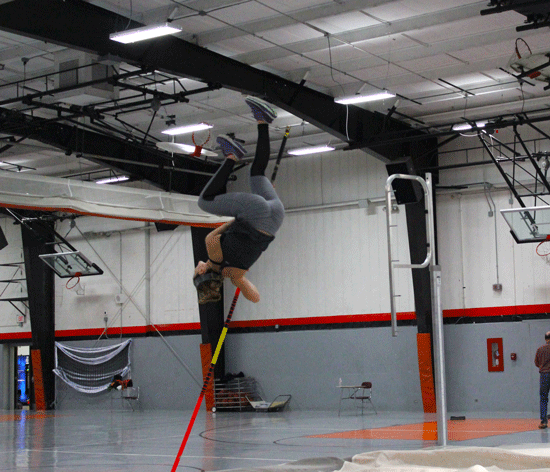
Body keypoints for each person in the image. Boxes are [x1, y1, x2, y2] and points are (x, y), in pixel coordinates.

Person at [194, 96, 284, 304]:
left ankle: (263, 120)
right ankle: (232, 156)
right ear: (200, 270)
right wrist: (239, 219)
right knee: (204, 201)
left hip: (276, 218)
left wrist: (239, 280)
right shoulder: (213, 254)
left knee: (257, 172)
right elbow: (214, 236)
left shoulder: (235, 275)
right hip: (255, 213)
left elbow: (256, 298)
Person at [534, 331, 550, 429]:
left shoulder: (540, 349)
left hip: (544, 375)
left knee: (543, 398)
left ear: (545, 339)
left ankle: (544, 421)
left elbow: (536, 362)